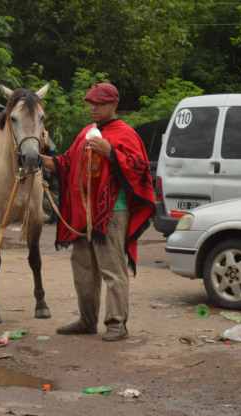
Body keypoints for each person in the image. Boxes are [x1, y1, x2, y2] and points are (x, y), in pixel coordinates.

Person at [41, 82, 155, 341]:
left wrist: (111, 152)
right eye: (91, 103)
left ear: (113, 105)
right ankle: (87, 320)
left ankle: (117, 324)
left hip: (113, 212)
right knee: (82, 268)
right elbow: (66, 163)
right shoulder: (86, 132)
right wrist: (40, 160)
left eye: (99, 103)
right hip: (83, 214)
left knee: (112, 269)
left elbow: (139, 169)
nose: (93, 108)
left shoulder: (125, 133)